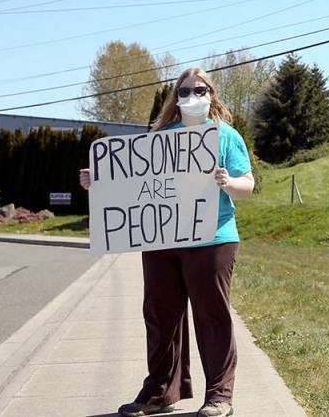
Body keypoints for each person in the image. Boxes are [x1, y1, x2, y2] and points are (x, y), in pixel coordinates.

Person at [80, 67, 254, 417]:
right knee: (160, 315)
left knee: (212, 315)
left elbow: (248, 183)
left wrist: (228, 182)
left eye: (200, 90)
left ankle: (220, 396)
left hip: (212, 237)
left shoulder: (226, 137)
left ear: (212, 95)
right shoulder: (159, 138)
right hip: (161, 238)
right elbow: (131, 183)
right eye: (185, 90)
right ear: (176, 98)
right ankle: (159, 393)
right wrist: (98, 182)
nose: (193, 96)